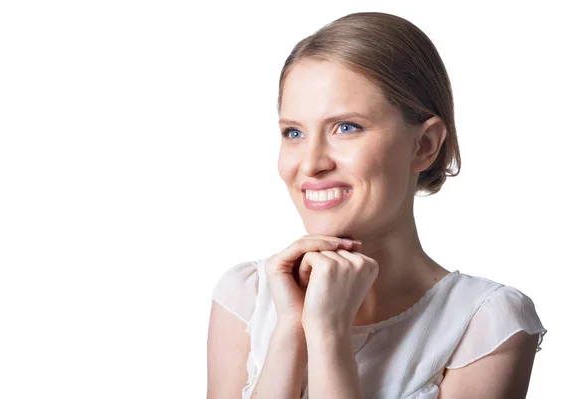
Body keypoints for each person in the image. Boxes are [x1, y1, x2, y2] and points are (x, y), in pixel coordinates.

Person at [206, 11, 547, 399]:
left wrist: (328, 333)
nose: (311, 163)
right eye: (293, 132)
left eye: (346, 127)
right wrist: (291, 330)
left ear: (425, 145)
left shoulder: (487, 323)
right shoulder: (245, 297)